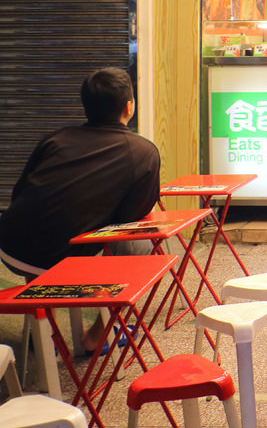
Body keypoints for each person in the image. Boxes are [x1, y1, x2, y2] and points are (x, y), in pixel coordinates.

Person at [0, 67, 161, 351]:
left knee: (42, 230)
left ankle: (44, 327)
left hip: (10, 247)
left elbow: (22, 194)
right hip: (65, 257)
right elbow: (132, 219)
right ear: (129, 106)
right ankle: (96, 335)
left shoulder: (55, 139)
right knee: (142, 245)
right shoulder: (142, 151)